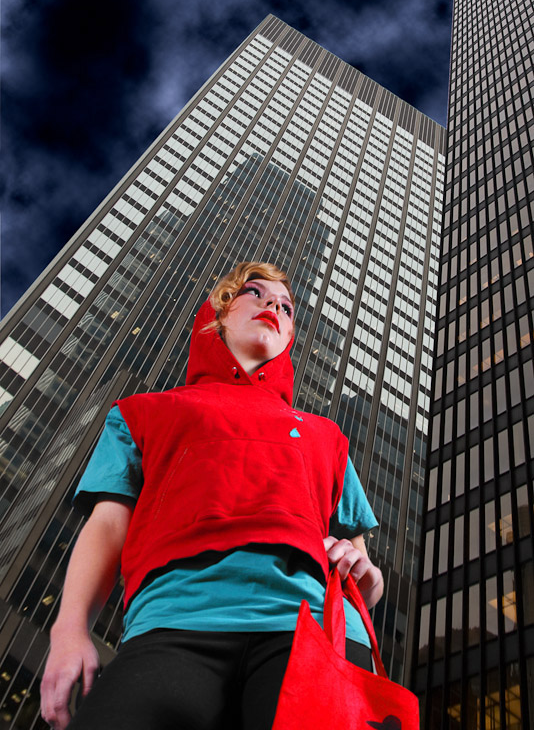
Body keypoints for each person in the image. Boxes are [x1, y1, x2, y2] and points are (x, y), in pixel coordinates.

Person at [40, 261, 383, 730]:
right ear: (218, 314)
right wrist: (69, 629)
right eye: (254, 293)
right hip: (171, 623)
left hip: (314, 630)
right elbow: (107, 524)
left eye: (286, 307)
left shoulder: (327, 436)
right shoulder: (142, 413)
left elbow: (362, 566)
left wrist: (365, 576)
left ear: (289, 338)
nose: (273, 305)